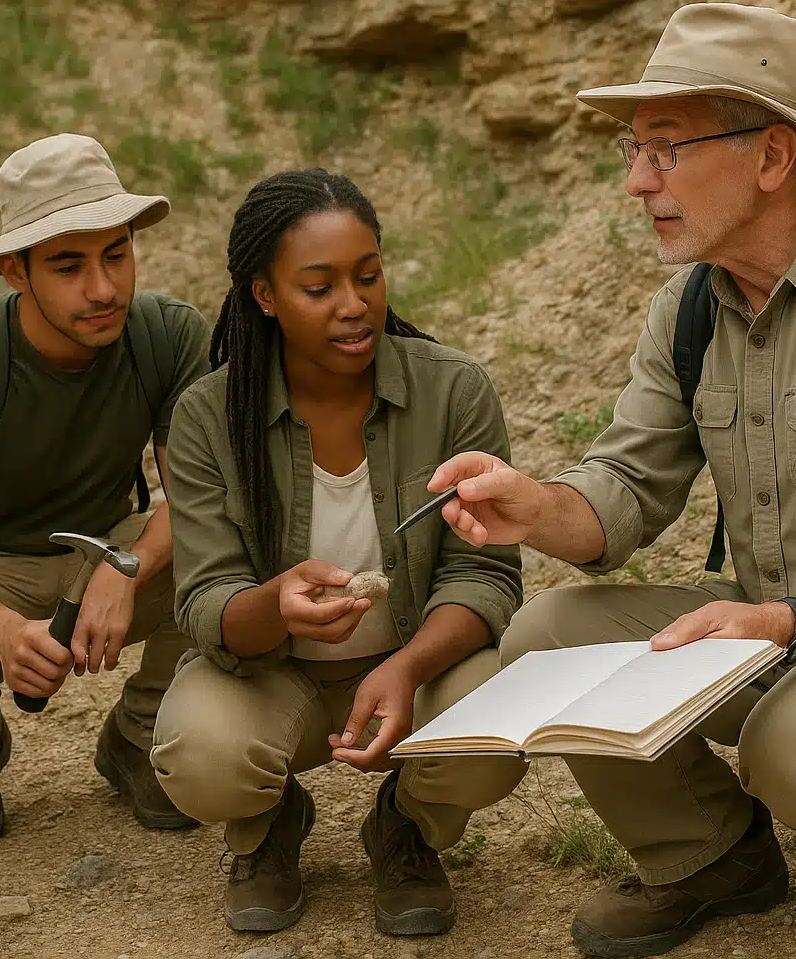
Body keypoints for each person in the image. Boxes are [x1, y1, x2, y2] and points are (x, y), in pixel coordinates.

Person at [430, 3, 796, 958]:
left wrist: (788, 621)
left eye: (665, 150)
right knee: (548, 637)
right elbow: (625, 489)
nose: (637, 182)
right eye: (635, 150)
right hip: (771, 634)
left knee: (794, 745)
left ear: (773, 155)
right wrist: (535, 506)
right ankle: (712, 860)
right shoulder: (688, 309)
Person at [150, 169, 528, 937]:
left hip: (413, 663)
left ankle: (408, 827)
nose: (354, 305)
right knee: (200, 757)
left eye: (368, 276)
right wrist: (274, 601)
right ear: (265, 296)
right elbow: (206, 600)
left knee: (500, 727)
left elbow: (485, 575)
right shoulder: (206, 416)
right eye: (318, 288)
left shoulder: (452, 390)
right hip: (270, 671)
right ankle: (267, 829)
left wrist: (407, 666)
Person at [0, 133, 210, 850]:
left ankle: (136, 737)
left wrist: (127, 569)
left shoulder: (170, 335)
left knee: (230, 553)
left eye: (117, 255)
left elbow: (198, 496)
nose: (103, 289)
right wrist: (3, 633)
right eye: (69, 266)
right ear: (15, 270)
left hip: (106, 545)